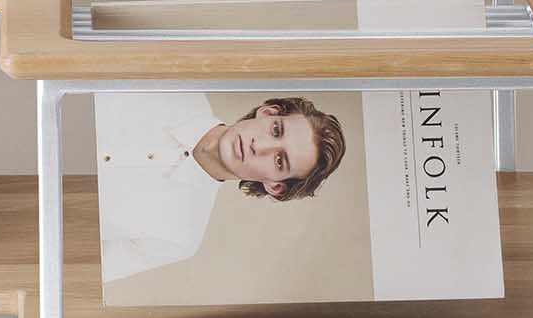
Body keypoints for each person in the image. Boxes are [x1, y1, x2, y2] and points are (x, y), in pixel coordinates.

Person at [95, 93, 348, 280]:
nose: (259, 147)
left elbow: (73, 265)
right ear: (268, 112)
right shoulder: (173, 87)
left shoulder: (181, 237)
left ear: (275, 186)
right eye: (275, 130)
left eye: (279, 160)